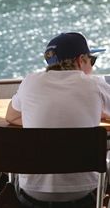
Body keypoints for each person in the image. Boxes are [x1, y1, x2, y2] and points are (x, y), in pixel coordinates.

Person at [6, 32, 110, 207]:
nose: (92, 67)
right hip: (85, 192)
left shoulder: (30, 82)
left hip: (32, 194)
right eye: (91, 61)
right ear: (80, 60)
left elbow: (11, 116)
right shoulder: (94, 84)